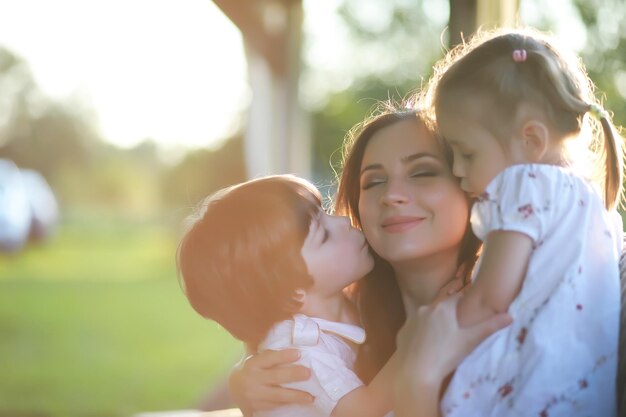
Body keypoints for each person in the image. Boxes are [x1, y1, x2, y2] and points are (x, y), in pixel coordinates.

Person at [227, 105, 513, 416]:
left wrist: (419, 377)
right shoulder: (341, 320)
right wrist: (247, 376)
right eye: (374, 181)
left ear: (470, 186)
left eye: (422, 172)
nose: (392, 195)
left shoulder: (511, 311)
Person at [418, 27, 622, 416]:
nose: (458, 170)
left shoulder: (524, 182)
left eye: (467, 153)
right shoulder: (593, 203)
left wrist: (433, 329)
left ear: (530, 140)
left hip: (522, 390)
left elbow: (490, 300)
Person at [177, 174, 406, 417]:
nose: (342, 221)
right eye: (324, 235)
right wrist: (418, 341)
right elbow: (362, 411)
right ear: (293, 290)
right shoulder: (298, 353)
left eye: (325, 211)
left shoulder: (340, 303)